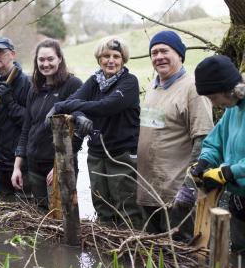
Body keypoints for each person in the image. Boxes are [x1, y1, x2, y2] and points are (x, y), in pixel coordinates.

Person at [53, 37, 143, 229]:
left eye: (116, 56)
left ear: (123, 60)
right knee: (101, 202)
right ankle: (106, 250)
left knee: (126, 205)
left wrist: (64, 107)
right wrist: (79, 116)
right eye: (106, 56)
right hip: (95, 152)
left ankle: (131, 251)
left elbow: (106, 106)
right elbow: (75, 100)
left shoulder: (130, 82)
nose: (111, 60)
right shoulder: (94, 81)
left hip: (122, 154)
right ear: (99, 59)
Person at [137, 31, 213, 238]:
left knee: (181, 255)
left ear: (180, 54)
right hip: (148, 188)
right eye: (154, 52)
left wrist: (190, 186)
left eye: (164, 51)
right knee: (153, 253)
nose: (158, 56)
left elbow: (204, 140)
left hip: (177, 194)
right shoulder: (153, 87)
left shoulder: (193, 89)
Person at [175, 55, 245, 252]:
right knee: (239, 256)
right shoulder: (233, 108)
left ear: (229, 90)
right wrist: (205, 161)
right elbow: (214, 141)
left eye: (213, 98)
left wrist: (229, 172)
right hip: (240, 200)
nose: (213, 104)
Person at [11, 39, 82, 209]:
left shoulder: (73, 85)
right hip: (34, 165)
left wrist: (59, 165)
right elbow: (27, 128)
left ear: (60, 59)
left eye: (50, 59)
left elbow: (79, 132)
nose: (45, 64)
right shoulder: (34, 88)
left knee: (62, 214)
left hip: (58, 166)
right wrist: (17, 167)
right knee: (41, 217)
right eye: (41, 60)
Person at [0, 37, 31, 200]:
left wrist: (9, 102)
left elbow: (29, 121)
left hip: (22, 161)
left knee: (27, 208)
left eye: (0, 52)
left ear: (13, 55)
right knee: (4, 208)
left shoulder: (26, 83)